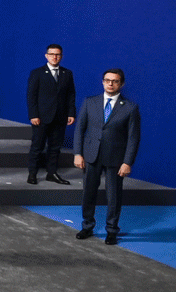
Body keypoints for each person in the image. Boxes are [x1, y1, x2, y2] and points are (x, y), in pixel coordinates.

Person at [74, 69, 140, 245]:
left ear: (121, 84)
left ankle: (111, 231)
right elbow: (80, 129)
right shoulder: (90, 102)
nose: (110, 84)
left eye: (115, 81)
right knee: (88, 193)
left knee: (114, 197)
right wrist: (77, 153)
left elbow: (133, 137)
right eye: (107, 80)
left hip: (115, 159)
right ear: (102, 82)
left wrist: (127, 162)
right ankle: (87, 226)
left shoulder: (130, 108)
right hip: (91, 156)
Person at [26, 44, 76, 185]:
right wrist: (33, 115)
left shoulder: (67, 73)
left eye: (58, 54)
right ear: (46, 55)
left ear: (61, 56)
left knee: (55, 148)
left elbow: (71, 95)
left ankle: (52, 173)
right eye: (52, 54)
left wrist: (71, 113)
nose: (55, 57)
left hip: (60, 117)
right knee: (37, 146)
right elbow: (31, 96)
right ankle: (32, 174)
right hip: (41, 117)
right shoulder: (37, 73)